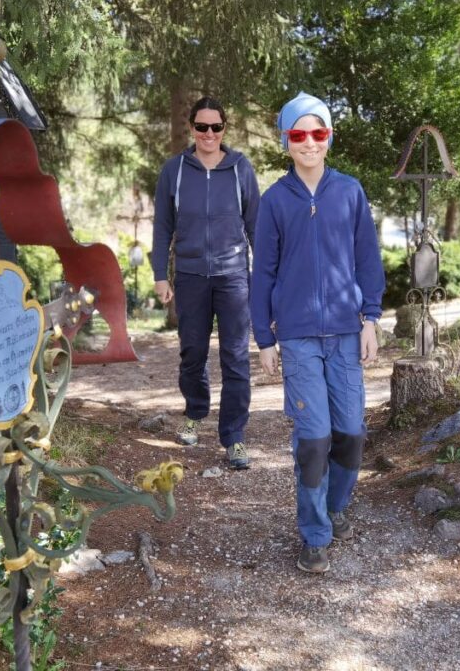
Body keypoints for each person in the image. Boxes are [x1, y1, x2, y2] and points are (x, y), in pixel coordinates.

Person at [250, 92, 385, 573]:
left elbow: (368, 259)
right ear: (286, 140)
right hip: (299, 338)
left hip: (348, 334)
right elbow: (262, 273)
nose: (309, 143)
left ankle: (334, 504)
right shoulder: (273, 201)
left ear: (330, 138)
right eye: (299, 135)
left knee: (350, 433)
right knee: (314, 438)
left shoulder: (350, 192)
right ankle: (314, 534)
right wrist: (264, 339)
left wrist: (371, 319)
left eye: (318, 133)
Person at [151, 96, 260, 470]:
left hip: (233, 276)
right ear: (192, 129)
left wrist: (263, 277)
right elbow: (162, 225)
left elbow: (255, 225)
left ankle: (235, 437)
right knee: (192, 352)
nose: (209, 133)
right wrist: (159, 275)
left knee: (235, 356)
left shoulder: (241, 168)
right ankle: (195, 414)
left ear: (224, 129)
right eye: (202, 127)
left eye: (216, 127)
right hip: (191, 275)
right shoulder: (175, 170)